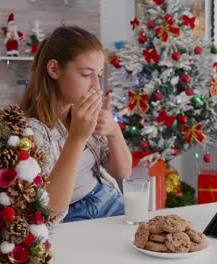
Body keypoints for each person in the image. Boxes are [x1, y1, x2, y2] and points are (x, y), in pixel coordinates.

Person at [19, 26, 132, 223]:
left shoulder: (83, 114)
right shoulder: (29, 132)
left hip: (108, 200)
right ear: (54, 69)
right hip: (68, 217)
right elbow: (49, 211)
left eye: (98, 75)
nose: (96, 86)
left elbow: (123, 173)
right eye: (86, 74)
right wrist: (77, 137)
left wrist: (114, 132)